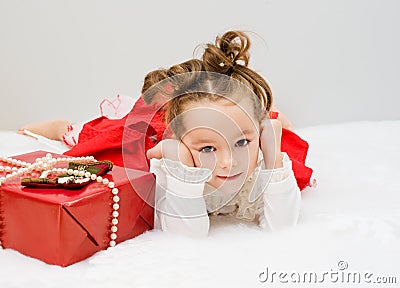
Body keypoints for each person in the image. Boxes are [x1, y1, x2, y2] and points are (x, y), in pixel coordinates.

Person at [19, 30, 314, 236]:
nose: (228, 163)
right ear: (182, 143)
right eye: (208, 149)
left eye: (242, 143)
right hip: (160, 132)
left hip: (224, 127)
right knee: (100, 134)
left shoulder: (258, 158)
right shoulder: (169, 162)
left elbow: (283, 228)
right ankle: (61, 126)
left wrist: (273, 159)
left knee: (264, 131)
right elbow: (186, 237)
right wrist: (183, 170)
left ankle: (269, 117)